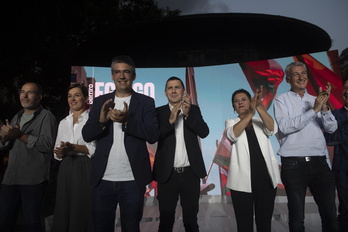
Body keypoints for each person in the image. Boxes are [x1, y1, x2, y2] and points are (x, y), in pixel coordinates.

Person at [82, 55, 159, 232]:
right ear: (112, 76)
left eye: (126, 72)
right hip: (102, 179)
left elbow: (153, 135)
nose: (122, 76)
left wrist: (127, 122)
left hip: (133, 180)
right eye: (117, 72)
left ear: (134, 75)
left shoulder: (146, 102)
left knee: (131, 228)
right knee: (101, 228)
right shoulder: (101, 101)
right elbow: (87, 135)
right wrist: (101, 121)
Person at [273, 61, 339, 232]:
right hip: (293, 164)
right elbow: (285, 127)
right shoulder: (281, 100)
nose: (301, 77)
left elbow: (331, 128)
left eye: (303, 73)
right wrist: (313, 110)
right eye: (296, 74)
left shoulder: (315, 100)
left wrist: (324, 108)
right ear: (288, 79)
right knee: (297, 218)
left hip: (320, 163)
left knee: (331, 216)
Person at [153, 76, 209, 232]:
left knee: (191, 221)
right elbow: (154, 136)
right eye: (170, 88)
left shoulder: (194, 110)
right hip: (167, 174)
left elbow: (204, 132)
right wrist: (170, 121)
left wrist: (188, 114)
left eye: (177, 87)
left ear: (183, 91)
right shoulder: (158, 112)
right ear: (165, 92)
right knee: (165, 221)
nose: (173, 90)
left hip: (190, 173)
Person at [0, 82, 57, 232]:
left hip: (33, 180)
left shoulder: (47, 117)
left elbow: (46, 145)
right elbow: (5, 145)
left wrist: (20, 135)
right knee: (4, 221)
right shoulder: (16, 116)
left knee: (32, 223)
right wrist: (4, 137)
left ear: (39, 97)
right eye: (22, 92)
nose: (24, 95)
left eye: (29, 92)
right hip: (11, 178)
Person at [224, 87, 281, 232]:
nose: (240, 103)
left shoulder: (259, 120)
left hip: (265, 179)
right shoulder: (231, 122)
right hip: (241, 183)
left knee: (264, 224)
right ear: (233, 107)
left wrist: (258, 108)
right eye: (236, 101)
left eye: (244, 99)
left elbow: (273, 128)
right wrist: (250, 113)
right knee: (244, 226)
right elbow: (233, 135)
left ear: (250, 102)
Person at [51, 84, 95, 232]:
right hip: (65, 167)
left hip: (84, 166)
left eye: (76, 95)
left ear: (86, 98)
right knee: (64, 205)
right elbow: (56, 151)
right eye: (70, 96)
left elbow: (93, 149)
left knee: (81, 206)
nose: (72, 99)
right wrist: (60, 152)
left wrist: (73, 147)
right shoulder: (63, 122)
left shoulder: (92, 120)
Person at [324, 78, 348, 232]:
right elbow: (330, 138)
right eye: (345, 88)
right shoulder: (334, 115)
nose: (346, 91)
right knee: (346, 210)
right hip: (343, 171)